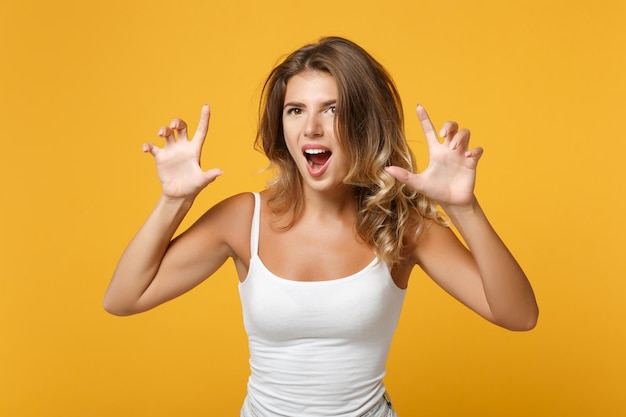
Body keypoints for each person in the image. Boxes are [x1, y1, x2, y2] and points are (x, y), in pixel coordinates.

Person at [104, 36, 538, 417]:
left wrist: (463, 208)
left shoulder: (402, 227)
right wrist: (173, 201)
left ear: (364, 123)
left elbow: (519, 316)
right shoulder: (243, 219)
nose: (311, 127)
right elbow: (124, 298)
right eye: (295, 110)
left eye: (332, 109)